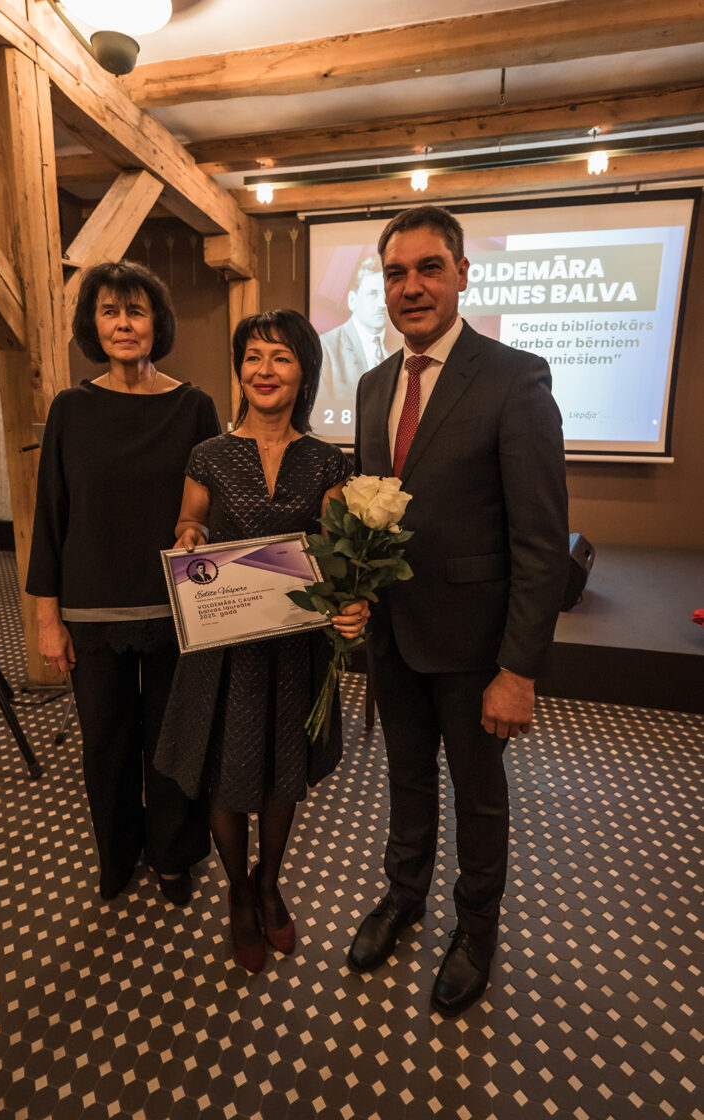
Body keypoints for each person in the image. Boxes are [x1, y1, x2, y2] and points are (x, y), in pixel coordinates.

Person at [348, 205, 568, 1016]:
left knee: (477, 797)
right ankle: (404, 896)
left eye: (429, 268)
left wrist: (518, 670)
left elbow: (541, 544)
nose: (411, 287)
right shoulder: (373, 385)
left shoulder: (516, 377)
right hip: (393, 639)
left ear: (463, 274)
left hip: (477, 649)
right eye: (395, 273)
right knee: (405, 781)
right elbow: (373, 514)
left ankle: (476, 930)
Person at [154, 309, 368, 973]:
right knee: (224, 774)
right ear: (240, 369)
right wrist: (189, 539)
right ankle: (238, 893)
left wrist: (352, 600)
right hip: (223, 644)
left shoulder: (327, 461)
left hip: (293, 647)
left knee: (282, 774)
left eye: (280, 357)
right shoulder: (208, 455)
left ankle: (268, 882)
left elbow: (336, 555)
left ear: (305, 371)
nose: (264, 370)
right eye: (252, 356)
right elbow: (189, 521)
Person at [26, 260, 221, 904]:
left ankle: (172, 854)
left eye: (136, 311)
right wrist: (48, 619)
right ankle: (117, 853)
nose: (123, 323)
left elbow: (214, 507)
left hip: (176, 609)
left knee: (173, 741)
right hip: (91, 612)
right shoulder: (71, 408)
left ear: (157, 322)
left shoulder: (195, 407)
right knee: (106, 745)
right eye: (109, 311)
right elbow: (51, 516)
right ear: (93, 325)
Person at [319, 258, 390, 405]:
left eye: (386, 294)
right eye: (373, 294)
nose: (382, 303)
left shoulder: (404, 345)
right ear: (352, 300)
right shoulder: (325, 348)